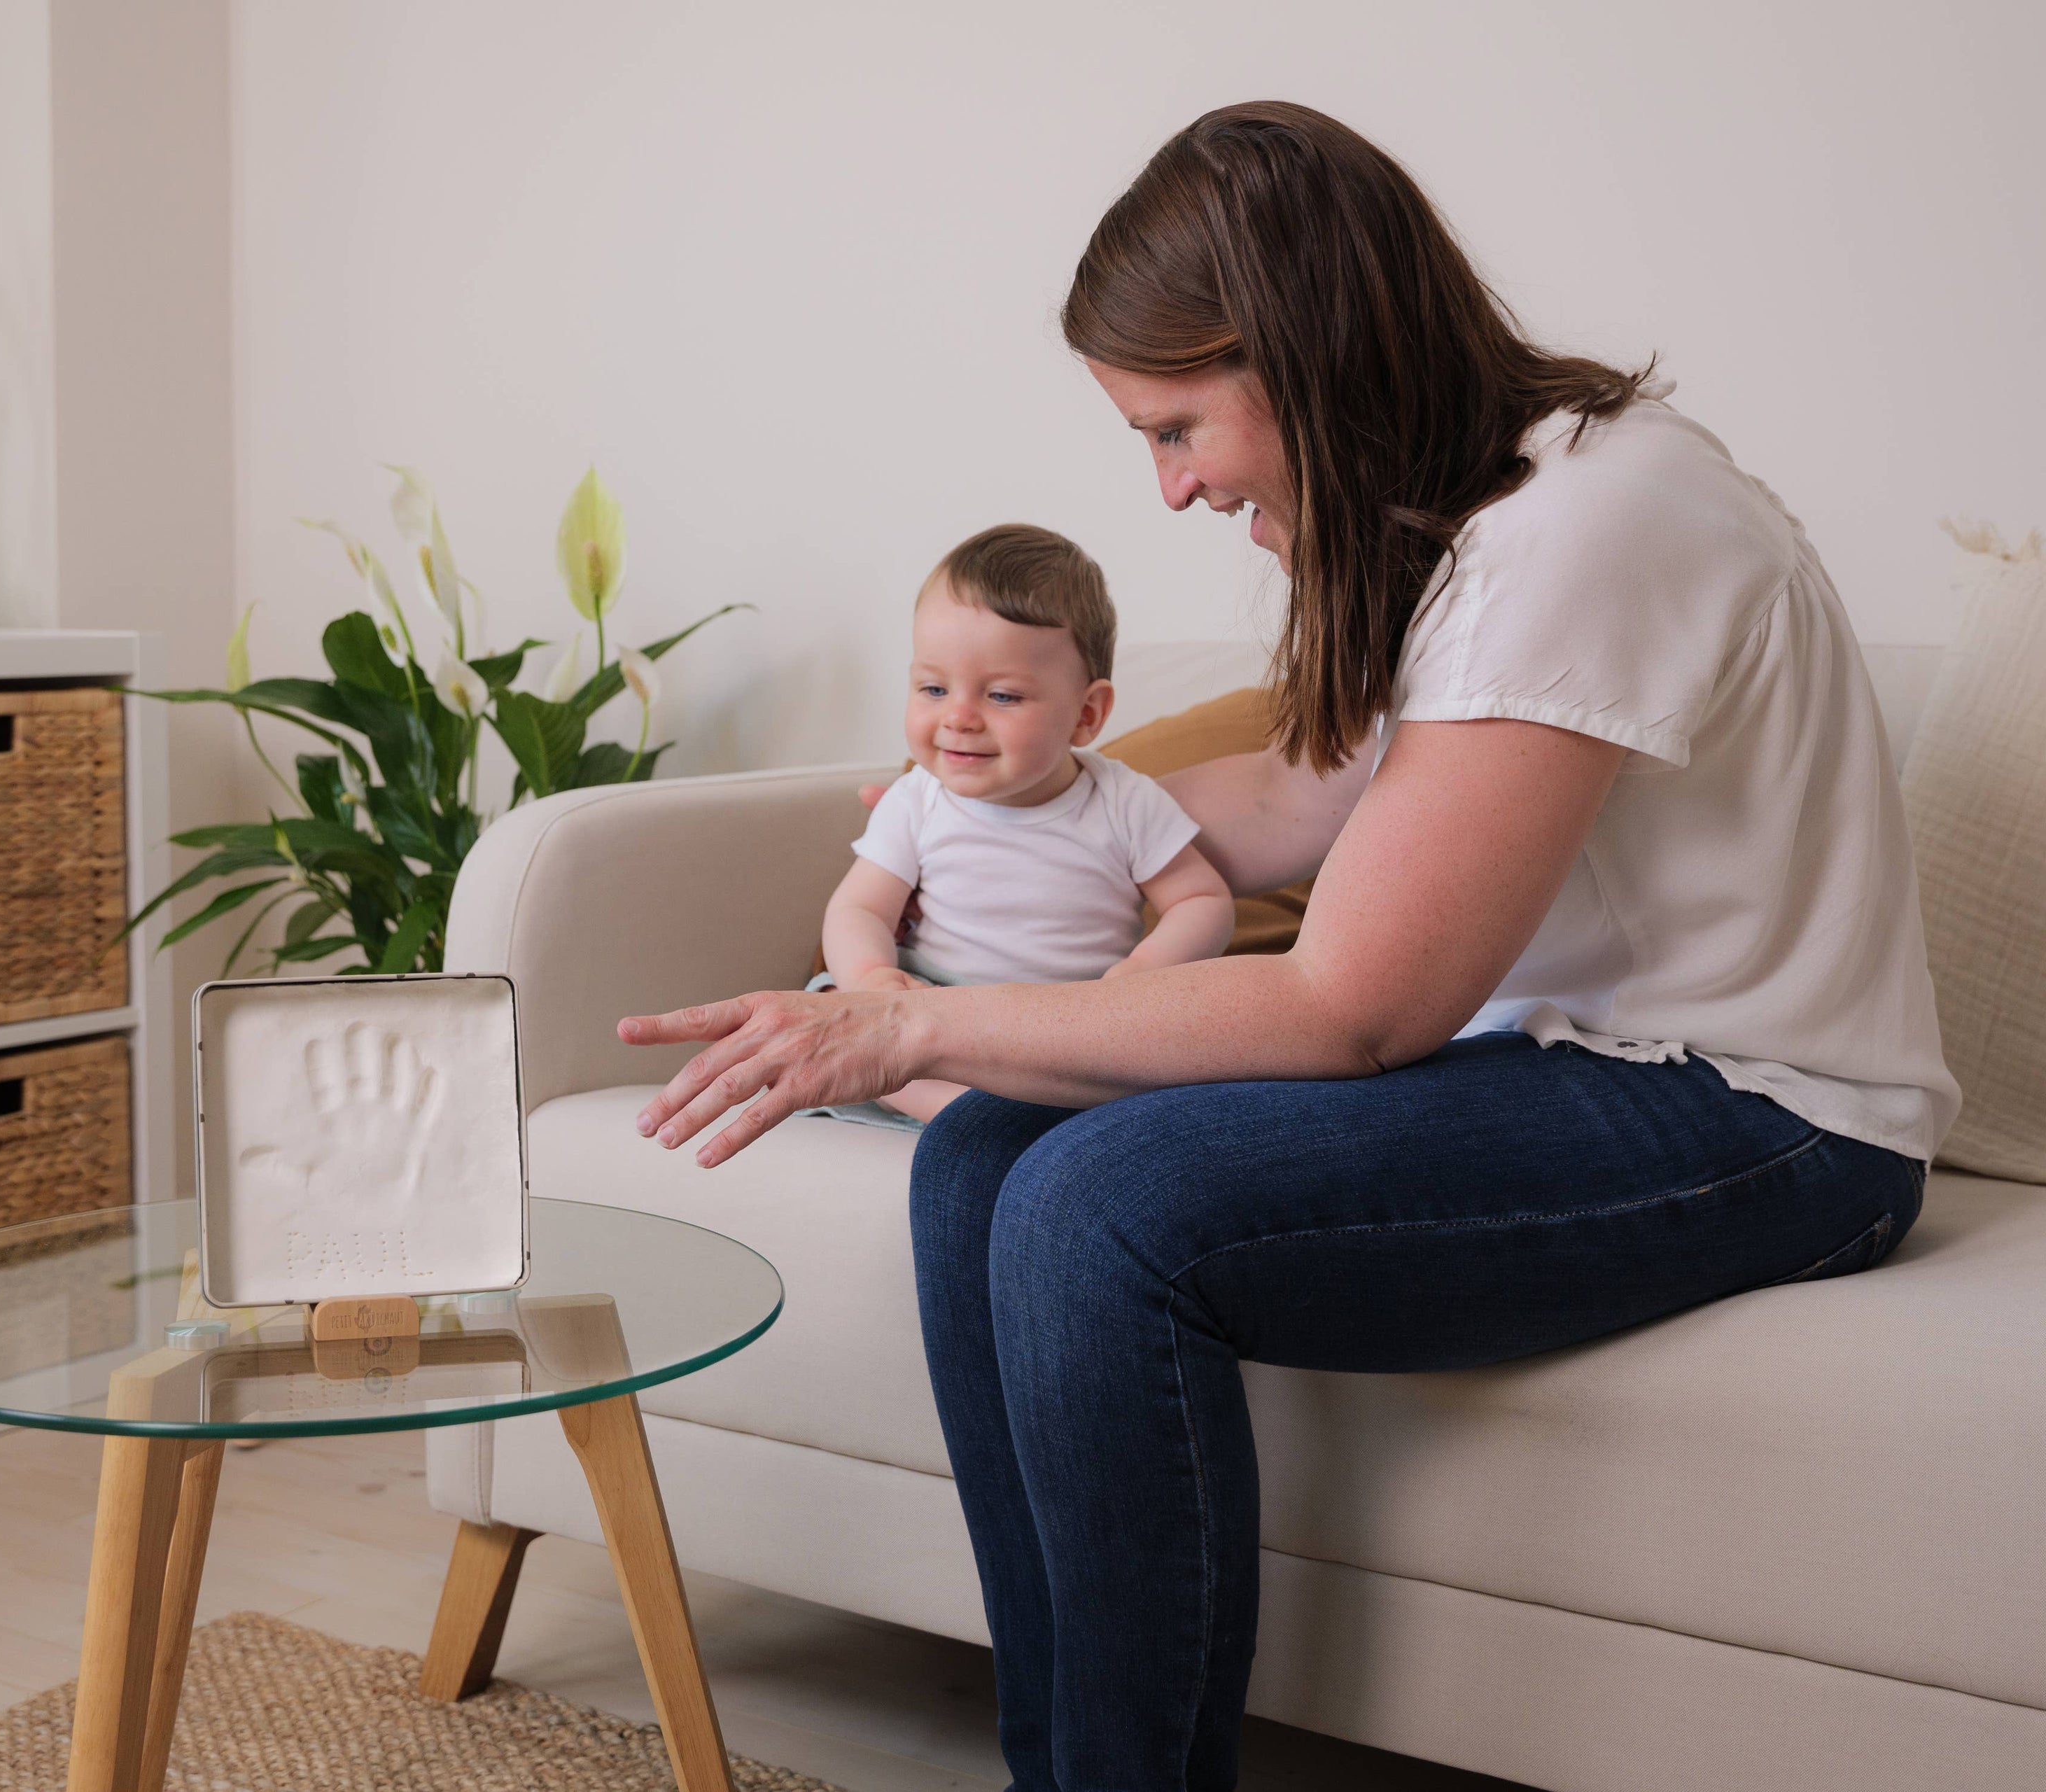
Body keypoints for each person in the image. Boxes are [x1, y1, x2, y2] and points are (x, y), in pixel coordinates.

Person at [618, 100, 1956, 1792]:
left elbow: (1355, 1004)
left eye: (1178, 425)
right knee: (980, 1159)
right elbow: (1297, 798)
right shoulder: (1490, 520)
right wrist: (1012, 799)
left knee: (1095, 1210)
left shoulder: (1587, 528)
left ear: (1306, 351)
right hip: (1573, 1066)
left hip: (1771, 1114)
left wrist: (903, 1027)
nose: (1171, 487)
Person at [820, 523, 1234, 1124]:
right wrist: (874, 977)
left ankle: (1034, 1114)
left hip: (1069, 1024)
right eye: (933, 688)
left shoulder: (1123, 800)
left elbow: (1202, 899)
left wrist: (1141, 977)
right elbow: (858, 909)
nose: (958, 718)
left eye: (1004, 697)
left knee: (1177, 1059)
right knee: (847, 1017)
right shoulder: (916, 801)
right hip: (938, 1010)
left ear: (1086, 714)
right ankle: (963, 1114)